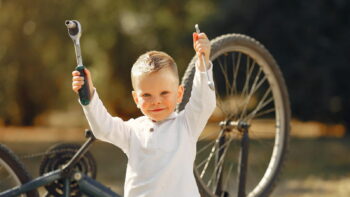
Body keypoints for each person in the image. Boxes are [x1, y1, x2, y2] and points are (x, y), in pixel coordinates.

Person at [72, 32, 216, 197]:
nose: (156, 101)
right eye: (147, 95)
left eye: (164, 93)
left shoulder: (186, 125)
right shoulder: (133, 131)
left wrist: (203, 63)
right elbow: (104, 128)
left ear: (179, 93)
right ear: (136, 98)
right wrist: (88, 94)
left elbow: (203, 103)